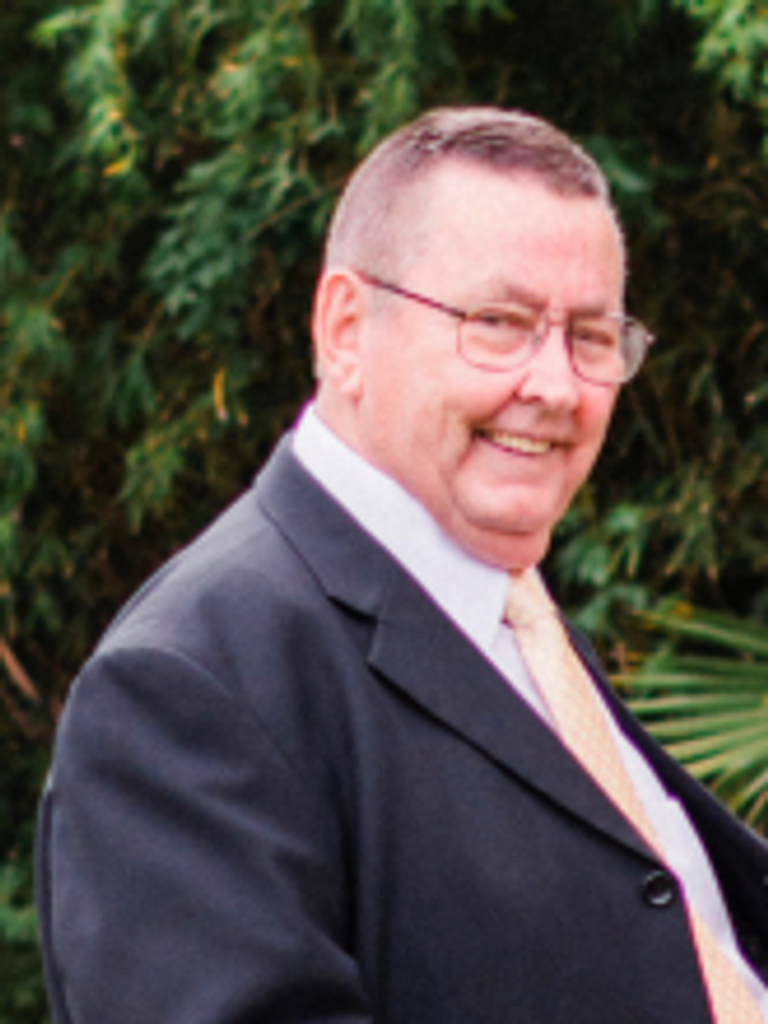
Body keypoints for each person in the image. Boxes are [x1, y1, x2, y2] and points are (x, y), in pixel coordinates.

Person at [37, 107, 768, 1024]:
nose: (555, 386)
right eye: (498, 323)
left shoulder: (510, 620)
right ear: (346, 328)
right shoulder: (190, 684)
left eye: (590, 336)